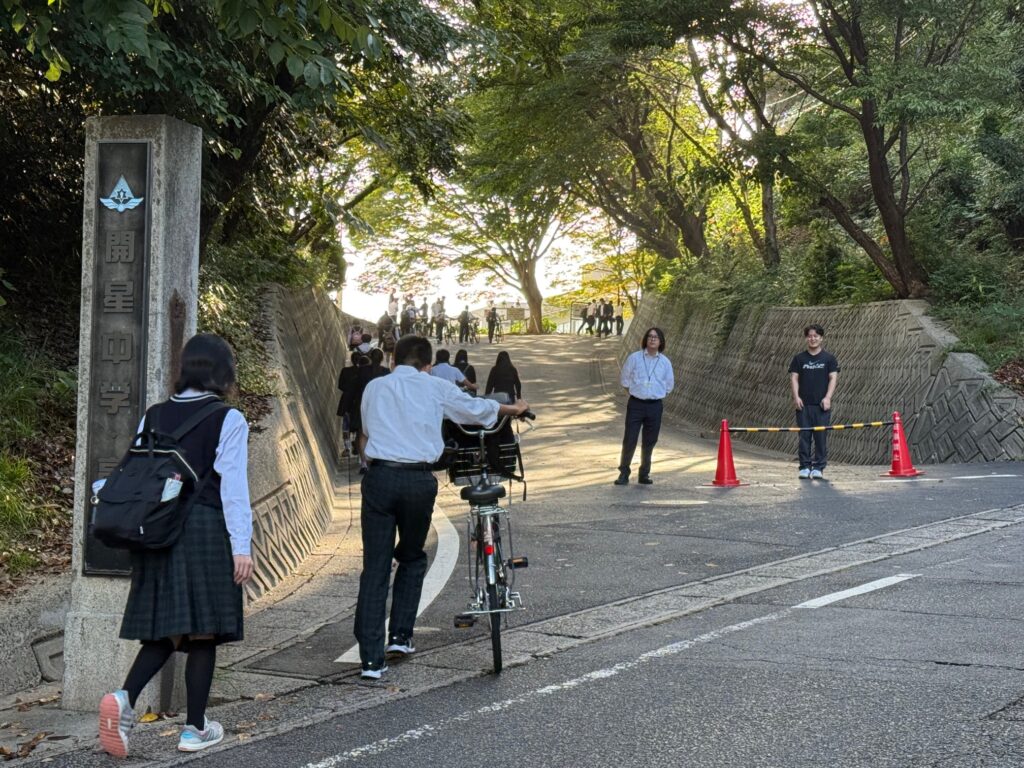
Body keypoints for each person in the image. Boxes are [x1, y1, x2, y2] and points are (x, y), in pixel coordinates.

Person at [98, 334, 254, 757]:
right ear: (224, 372)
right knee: (203, 630)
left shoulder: (154, 414)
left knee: (169, 627)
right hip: (203, 527)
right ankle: (194, 729)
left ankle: (125, 698)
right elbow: (234, 490)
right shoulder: (228, 419)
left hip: (156, 530)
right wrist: (242, 546)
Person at [354, 335, 529, 678]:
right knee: (412, 556)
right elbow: (478, 411)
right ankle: (401, 637)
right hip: (418, 481)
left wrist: (370, 463)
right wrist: (515, 408)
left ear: (393, 360)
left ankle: (371, 662)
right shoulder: (434, 386)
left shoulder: (375, 387)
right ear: (428, 365)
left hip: (379, 478)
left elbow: (365, 433)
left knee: (375, 567)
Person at [614, 327, 674, 486]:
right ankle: (624, 473)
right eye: (650, 336)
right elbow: (625, 380)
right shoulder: (634, 358)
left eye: (656, 337)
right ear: (645, 340)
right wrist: (637, 392)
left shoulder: (665, 362)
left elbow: (669, 385)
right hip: (636, 404)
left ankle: (644, 473)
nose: (653, 339)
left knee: (650, 440)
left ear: (661, 341)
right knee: (630, 439)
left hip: (655, 406)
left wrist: (654, 394)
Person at [788, 324, 839, 480]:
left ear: (821, 338)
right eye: (810, 336)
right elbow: (794, 378)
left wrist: (828, 397)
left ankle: (818, 467)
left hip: (822, 405)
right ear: (806, 338)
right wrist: (796, 397)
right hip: (803, 404)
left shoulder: (829, 358)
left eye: (816, 336)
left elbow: (833, 378)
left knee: (820, 436)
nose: (813, 339)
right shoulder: (799, 358)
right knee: (804, 435)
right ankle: (804, 466)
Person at [337, 350, 362, 457]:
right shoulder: (363, 372)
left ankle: (347, 448)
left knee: (346, 426)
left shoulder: (345, 371)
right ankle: (357, 445)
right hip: (359, 401)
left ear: (351, 360)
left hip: (347, 401)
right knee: (359, 425)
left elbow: (340, 386)